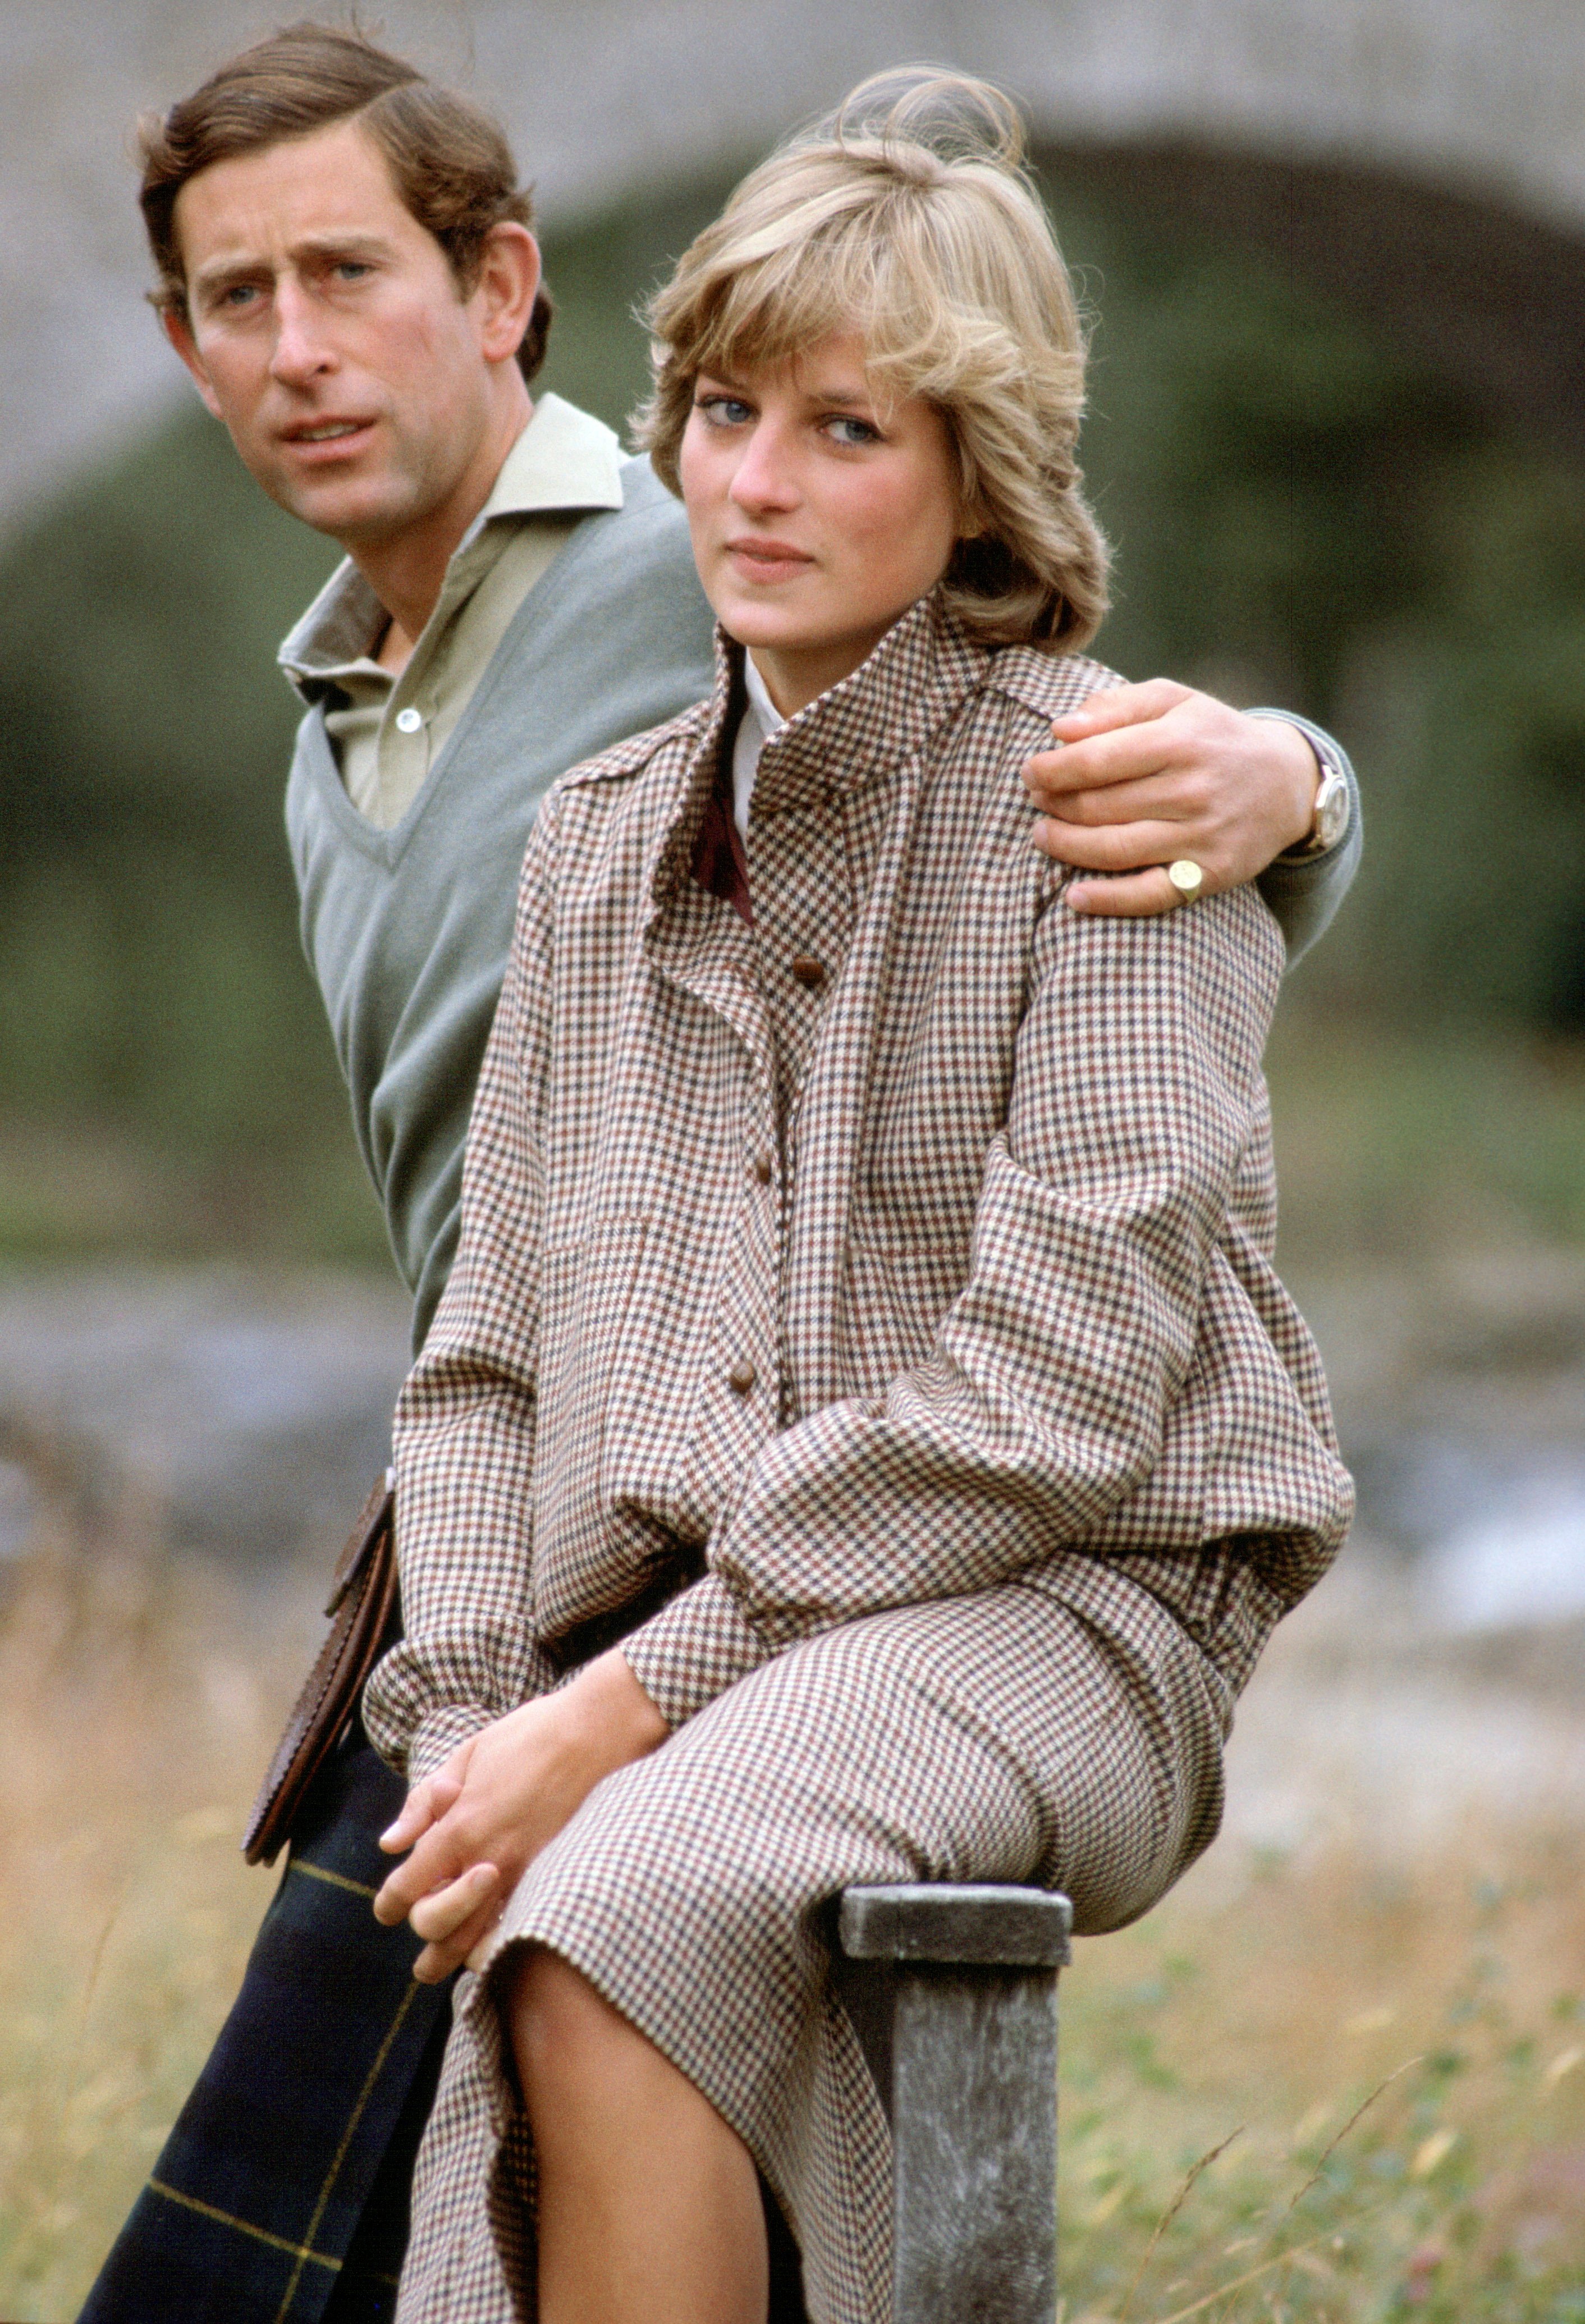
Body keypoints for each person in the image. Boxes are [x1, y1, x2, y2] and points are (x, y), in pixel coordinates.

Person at [80, 26, 1359, 2324]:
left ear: (973, 477)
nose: (753, 488)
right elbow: (481, 1354)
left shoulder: (1089, 804)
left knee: (611, 1893)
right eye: (731, 421)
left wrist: (1291, 772)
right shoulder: (575, 821)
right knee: (483, 1895)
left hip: (1063, 1591)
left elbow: (1059, 1403)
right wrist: (477, 1702)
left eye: (846, 433)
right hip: (651, 1578)